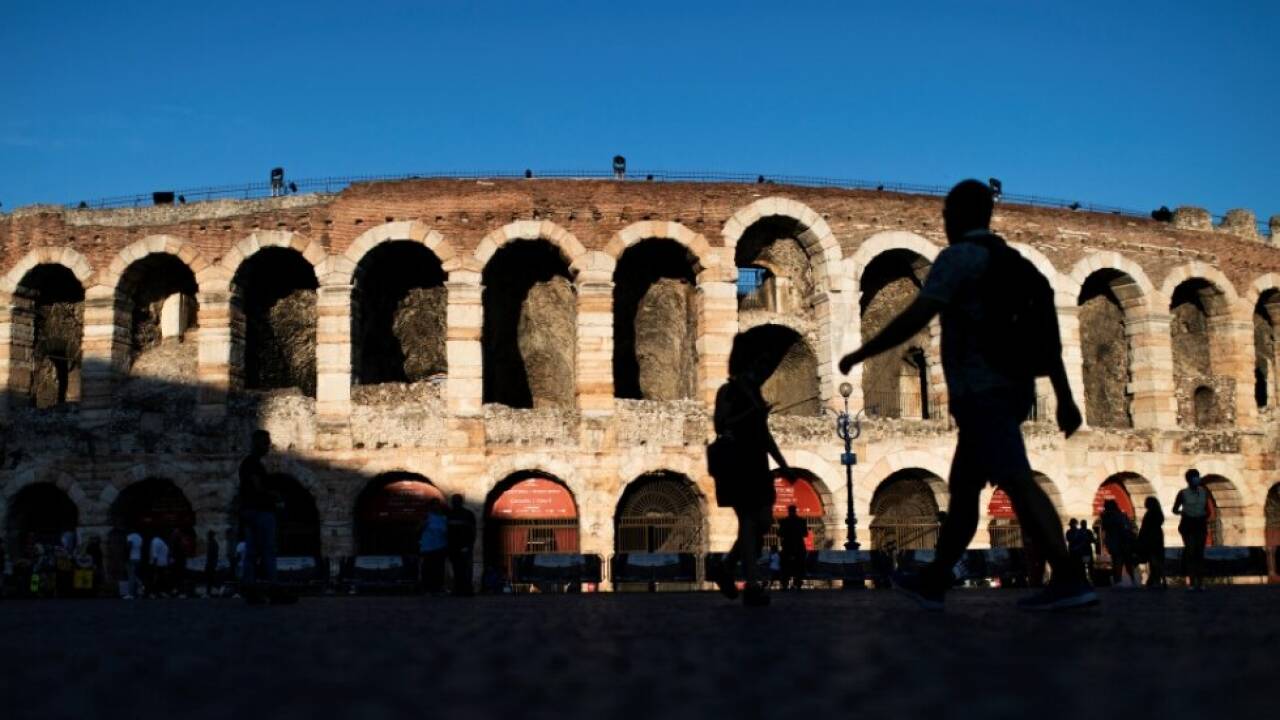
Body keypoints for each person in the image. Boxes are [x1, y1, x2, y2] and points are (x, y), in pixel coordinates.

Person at [838, 179, 1095, 611]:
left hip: (983, 391)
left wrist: (862, 352)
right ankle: (935, 580)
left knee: (1016, 479)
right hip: (1014, 389)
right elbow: (1048, 340)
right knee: (962, 490)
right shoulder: (1019, 265)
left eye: (947, 215)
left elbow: (918, 314)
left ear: (957, 215)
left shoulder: (960, 259)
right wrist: (1065, 398)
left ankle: (1069, 576)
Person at [708, 350, 790, 607]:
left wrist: (783, 465)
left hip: (758, 462)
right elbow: (720, 424)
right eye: (757, 366)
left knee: (763, 521)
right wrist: (752, 412)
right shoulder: (728, 391)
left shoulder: (755, 394)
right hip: (737, 461)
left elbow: (764, 435)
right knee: (748, 521)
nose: (761, 372)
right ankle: (752, 587)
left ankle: (727, 566)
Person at [239, 430, 279, 602]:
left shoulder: (250, 463)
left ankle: (250, 587)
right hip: (260, 511)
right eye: (265, 442)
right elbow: (258, 488)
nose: (268, 446)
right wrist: (274, 496)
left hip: (250, 511)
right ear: (256, 443)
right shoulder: (252, 464)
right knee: (267, 551)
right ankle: (272, 587)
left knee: (252, 552)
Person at [1173, 469, 1210, 590]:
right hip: (1188, 525)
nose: (1197, 479)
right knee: (1191, 552)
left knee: (1200, 553)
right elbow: (1175, 509)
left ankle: (1201, 581)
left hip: (1200, 524)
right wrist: (1183, 512)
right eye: (1195, 477)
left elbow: (1207, 509)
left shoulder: (1204, 492)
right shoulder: (1183, 493)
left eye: (1198, 477)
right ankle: (1192, 581)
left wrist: (1204, 515)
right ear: (1189, 480)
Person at [1099, 500, 1137, 587]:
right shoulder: (1120, 515)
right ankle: (1132, 580)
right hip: (1122, 542)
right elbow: (1127, 528)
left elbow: (1107, 528)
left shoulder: (1108, 516)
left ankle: (1119, 580)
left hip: (1117, 542)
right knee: (1125, 562)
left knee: (1117, 562)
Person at [446, 494, 477, 597]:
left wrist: (469, 545)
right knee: (456, 569)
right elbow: (446, 532)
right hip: (453, 546)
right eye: (454, 501)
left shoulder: (468, 514)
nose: (455, 502)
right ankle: (457, 589)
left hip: (465, 545)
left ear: (461, 502)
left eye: (457, 500)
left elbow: (473, 531)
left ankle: (467, 590)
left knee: (466, 569)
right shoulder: (448, 514)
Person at [418, 499, 449, 595]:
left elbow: (447, 532)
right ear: (430, 506)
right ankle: (427, 588)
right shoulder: (427, 517)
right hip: (428, 547)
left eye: (438, 505)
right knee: (428, 569)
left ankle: (438, 588)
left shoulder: (444, 518)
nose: (436, 507)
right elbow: (418, 529)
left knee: (439, 569)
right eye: (434, 505)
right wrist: (422, 525)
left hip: (441, 547)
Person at [777, 505, 809, 590]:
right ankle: (798, 582)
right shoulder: (801, 521)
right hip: (799, 545)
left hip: (787, 545)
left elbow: (779, 534)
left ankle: (785, 583)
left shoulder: (784, 521)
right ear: (796, 511)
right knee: (799, 565)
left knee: (785, 565)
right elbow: (805, 534)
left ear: (788, 511)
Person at [1138, 496, 1165, 589]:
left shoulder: (1150, 514)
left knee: (1153, 560)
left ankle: (1155, 579)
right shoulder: (1158, 513)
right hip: (1157, 537)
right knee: (1156, 559)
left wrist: (1140, 538)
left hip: (1150, 538)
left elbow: (1144, 527)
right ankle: (1156, 579)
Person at [124, 529, 144, 599]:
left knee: (131, 576)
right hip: (138, 557)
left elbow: (129, 546)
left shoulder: (130, 536)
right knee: (136, 575)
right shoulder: (139, 537)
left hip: (131, 558)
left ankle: (130, 594)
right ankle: (140, 590)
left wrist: (126, 557)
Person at [204, 531, 220, 598]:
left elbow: (211, 555)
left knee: (210, 578)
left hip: (211, 563)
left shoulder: (212, 543)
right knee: (210, 578)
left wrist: (209, 563)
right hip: (212, 563)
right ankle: (209, 592)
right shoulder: (213, 543)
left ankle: (210, 592)